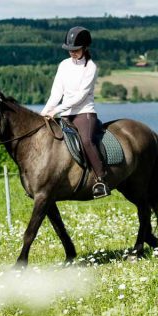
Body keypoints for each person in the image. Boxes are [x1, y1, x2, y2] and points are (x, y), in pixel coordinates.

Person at [41, 26, 109, 198]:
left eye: (75, 50)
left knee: (86, 141)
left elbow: (80, 97)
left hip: (84, 112)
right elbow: (56, 93)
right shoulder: (63, 65)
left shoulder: (90, 67)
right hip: (65, 113)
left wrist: (56, 110)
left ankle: (101, 179)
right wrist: (44, 112)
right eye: (69, 50)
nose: (72, 53)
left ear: (85, 48)